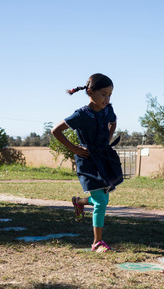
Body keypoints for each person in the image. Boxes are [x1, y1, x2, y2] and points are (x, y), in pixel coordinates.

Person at [51, 73, 123, 253]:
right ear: (90, 92)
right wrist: (74, 149)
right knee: (101, 202)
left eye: (110, 95)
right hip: (87, 160)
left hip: (104, 157)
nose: (107, 99)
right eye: (103, 94)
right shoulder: (81, 114)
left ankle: (80, 202)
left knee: (103, 198)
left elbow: (113, 123)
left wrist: (107, 139)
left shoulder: (108, 110)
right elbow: (56, 131)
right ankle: (97, 243)